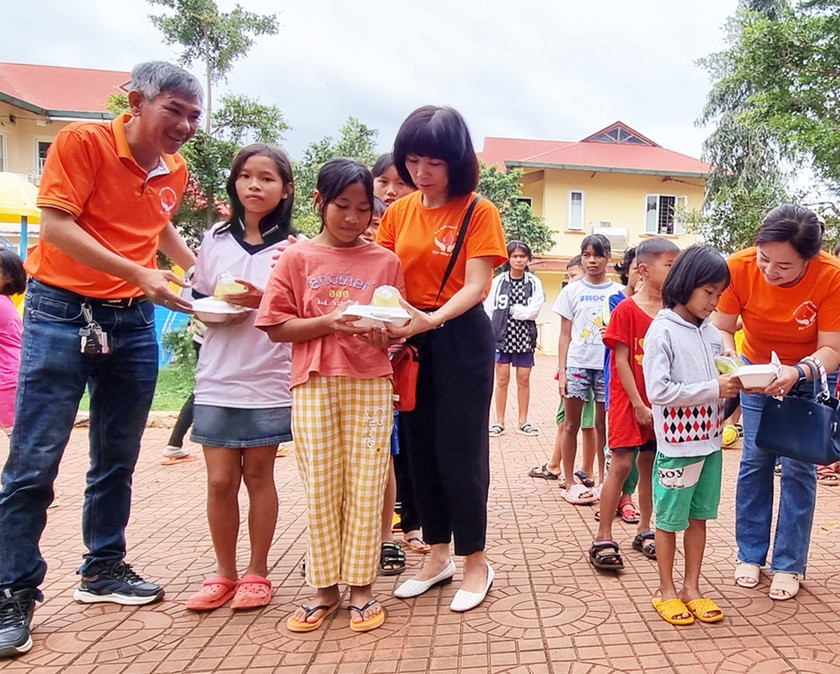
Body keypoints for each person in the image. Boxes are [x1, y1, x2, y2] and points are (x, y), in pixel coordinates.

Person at [0, 61, 202, 659]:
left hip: (133, 320)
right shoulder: (80, 141)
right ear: (137, 101)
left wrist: (203, 274)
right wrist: (141, 272)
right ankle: (13, 591)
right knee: (35, 458)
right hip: (60, 311)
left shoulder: (175, 168)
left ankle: (103, 566)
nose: (186, 125)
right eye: (174, 110)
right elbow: (56, 226)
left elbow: (158, 223)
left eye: (194, 115)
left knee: (117, 453)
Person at [257, 158, 403, 633]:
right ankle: (324, 589)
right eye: (342, 206)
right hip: (314, 383)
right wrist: (326, 322)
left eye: (363, 209)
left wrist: (386, 337)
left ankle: (362, 589)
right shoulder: (297, 258)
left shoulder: (385, 260)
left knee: (367, 485)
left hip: (371, 383)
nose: (352, 218)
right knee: (320, 486)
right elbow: (275, 326)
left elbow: (397, 328)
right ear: (320, 202)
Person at [378, 106, 507, 612]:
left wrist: (429, 320)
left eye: (433, 161)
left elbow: (477, 287)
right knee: (417, 448)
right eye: (412, 160)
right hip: (409, 339)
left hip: (460, 338)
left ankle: (476, 561)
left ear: (457, 161)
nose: (421, 173)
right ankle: (436, 555)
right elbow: (383, 275)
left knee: (460, 451)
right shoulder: (398, 212)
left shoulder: (479, 212)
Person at [184, 143, 295, 611]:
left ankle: (258, 572)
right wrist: (210, 313)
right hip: (217, 374)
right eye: (246, 176)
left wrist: (262, 301)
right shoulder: (215, 239)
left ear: (285, 189)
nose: (255, 185)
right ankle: (223, 573)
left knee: (259, 474)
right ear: (234, 183)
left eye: (267, 178)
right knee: (218, 481)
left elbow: (299, 310)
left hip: (269, 375)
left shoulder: (295, 249)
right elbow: (201, 297)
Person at [713, 204, 840, 601]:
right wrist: (735, 369)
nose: (770, 271)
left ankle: (789, 563)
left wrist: (798, 373)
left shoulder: (831, 277)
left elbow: (832, 347)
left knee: (799, 468)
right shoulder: (739, 267)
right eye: (765, 258)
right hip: (755, 370)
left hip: (810, 372)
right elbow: (720, 330)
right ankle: (749, 553)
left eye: (784, 266)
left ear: (810, 259)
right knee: (755, 459)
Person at [644, 245, 740, 625]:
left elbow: (723, 373)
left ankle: (692, 587)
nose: (713, 302)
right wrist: (714, 388)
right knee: (668, 520)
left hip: (711, 442)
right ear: (685, 283)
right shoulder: (662, 330)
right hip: (677, 444)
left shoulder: (712, 333)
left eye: (719, 294)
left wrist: (740, 378)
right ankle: (666, 589)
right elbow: (659, 392)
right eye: (708, 292)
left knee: (699, 518)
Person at [592, 238, 679, 570]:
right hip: (630, 403)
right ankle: (603, 535)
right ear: (643, 269)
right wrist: (637, 403)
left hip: (662, 403)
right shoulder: (625, 309)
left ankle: (645, 528)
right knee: (622, 464)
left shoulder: (672, 313)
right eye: (669, 265)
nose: (675, 272)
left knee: (651, 464)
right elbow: (622, 361)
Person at [555, 235, 622, 504]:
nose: (592, 260)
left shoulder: (617, 292)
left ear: (608, 258)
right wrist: (562, 371)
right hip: (578, 364)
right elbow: (564, 334)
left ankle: (605, 481)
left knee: (603, 425)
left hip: (607, 365)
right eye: (586, 255)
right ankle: (569, 480)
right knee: (570, 423)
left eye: (598, 255)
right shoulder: (571, 291)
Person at [527, 255, 596, 484]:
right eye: (569, 277)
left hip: (590, 369)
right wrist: (562, 369)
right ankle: (555, 464)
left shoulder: (596, 301)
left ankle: (585, 469)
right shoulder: (572, 300)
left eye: (573, 276)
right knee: (565, 420)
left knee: (587, 424)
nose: (571, 281)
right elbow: (564, 336)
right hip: (572, 370)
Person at [485, 240, 545, 436]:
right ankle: (499, 422)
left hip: (524, 337)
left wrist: (515, 310)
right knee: (501, 379)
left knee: (524, 380)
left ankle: (523, 421)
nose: (519, 260)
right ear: (508, 259)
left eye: (522, 256)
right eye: (515, 256)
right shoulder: (498, 281)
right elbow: (489, 308)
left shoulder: (533, 282)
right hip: (501, 336)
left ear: (528, 259)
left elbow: (533, 311)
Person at [598, 247, 641, 523]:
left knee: (640, 453)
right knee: (617, 447)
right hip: (617, 384)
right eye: (637, 268)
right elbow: (617, 331)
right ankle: (609, 497)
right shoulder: (615, 301)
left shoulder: (665, 307)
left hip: (648, 389)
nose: (641, 273)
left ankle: (627, 498)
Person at [161, 315, 205, 462]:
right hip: (215, 336)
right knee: (203, 390)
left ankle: (174, 444)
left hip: (205, 334)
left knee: (203, 390)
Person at [0, 249, 25, 437]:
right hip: (10, 375)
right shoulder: (5, 302)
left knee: (18, 438)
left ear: (8, 277)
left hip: (6, 379)